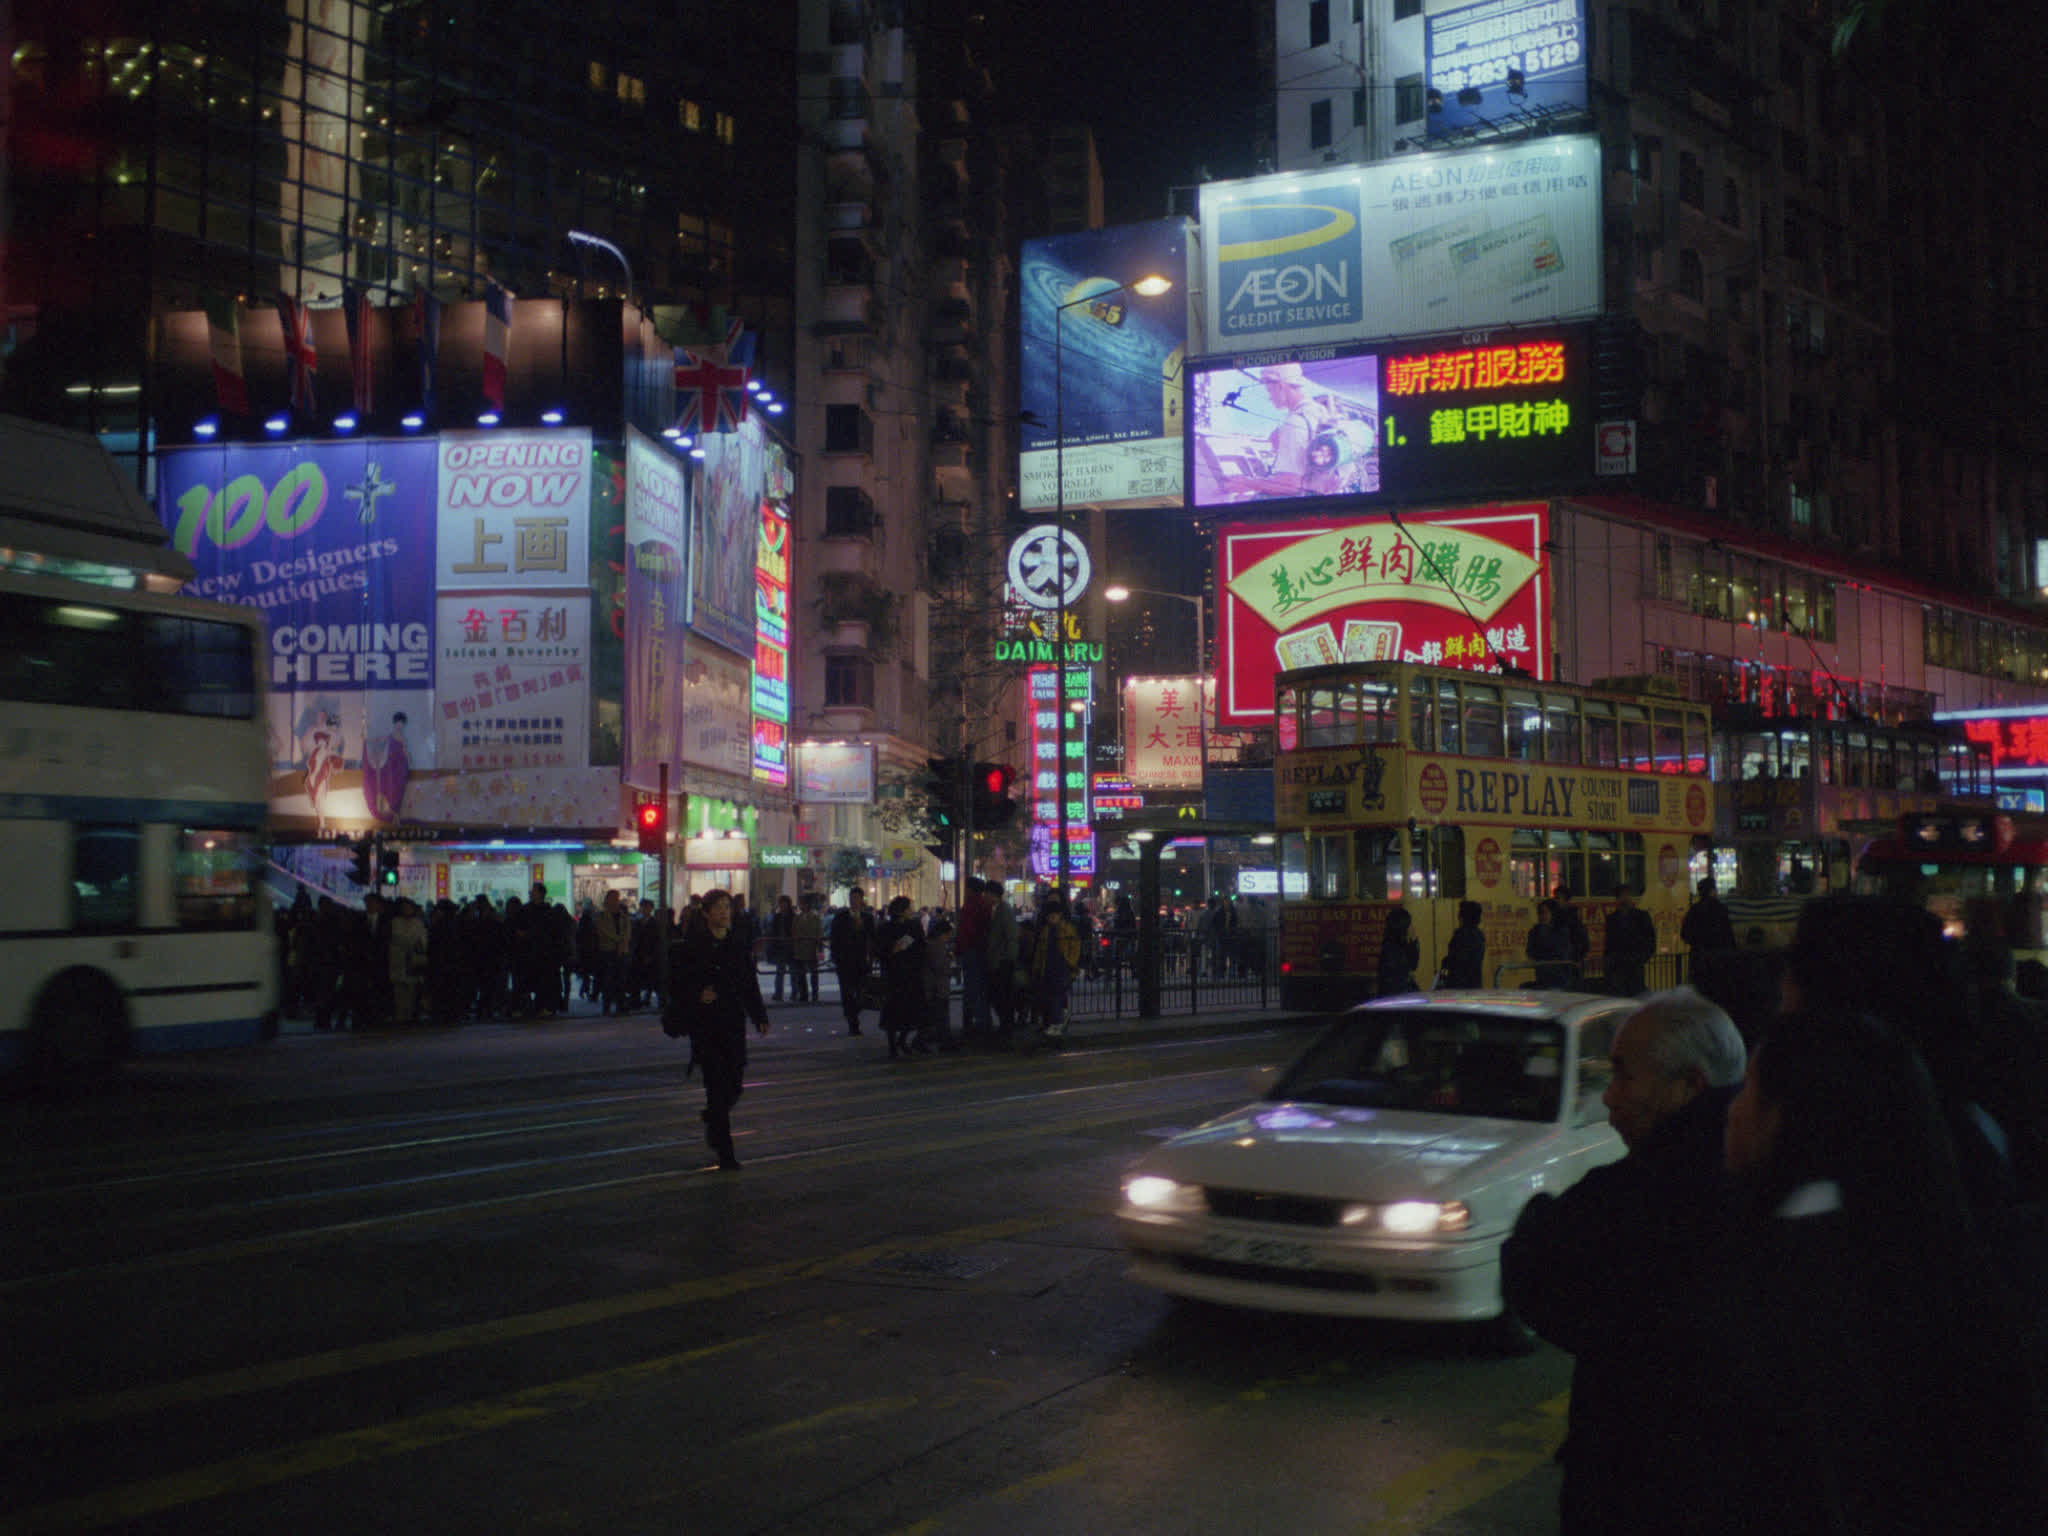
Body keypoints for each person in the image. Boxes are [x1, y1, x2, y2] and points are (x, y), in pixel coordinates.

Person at [1706, 1008, 2048, 1534]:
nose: (1732, 1111)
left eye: (1750, 1089)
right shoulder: (1955, 1265)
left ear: (1794, 1116)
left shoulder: (1784, 1279)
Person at [1502, 988, 1749, 1536]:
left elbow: (1543, 1281)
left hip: (1636, 1480)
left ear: (1690, 1085)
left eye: (1624, 1076)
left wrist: (1536, 1222)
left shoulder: (1637, 1199)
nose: (1610, 1098)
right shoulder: (1778, 1182)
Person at [663, 890, 769, 1170]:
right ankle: (726, 1151)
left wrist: (759, 1016)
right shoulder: (692, 946)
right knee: (715, 1085)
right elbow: (677, 984)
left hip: (733, 1023)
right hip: (706, 1026)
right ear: (707, 913)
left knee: (734, 1085)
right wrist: (698, 994)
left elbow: (749, 983)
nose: (724, 912)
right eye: (718, 908)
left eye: (727, 907)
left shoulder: (737, 944)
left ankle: (713, 1117)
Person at [875, 894, 927, 1059]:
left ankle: (903, 1040)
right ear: (902, 911)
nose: (911, 910)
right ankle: (893, 1045)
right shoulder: (886, 928)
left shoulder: (914, 926)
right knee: (893, 1011)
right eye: (908, 908)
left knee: (912, 1011)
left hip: (911, 973)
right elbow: (880, 950)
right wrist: (892, 950)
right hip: (894, 974)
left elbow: (921, 946)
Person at [1031, 892, 1082, 1047]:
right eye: (1050, 917)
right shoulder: (1048, 930)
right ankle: (1054, 1024)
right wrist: (1037, 968)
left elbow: (1075, 948)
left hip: (1061, 968)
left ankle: (1056, 1024)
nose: (1051, 919)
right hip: (1049, 968)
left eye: (1054, 916)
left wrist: (1070, 963)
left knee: (1056, 997)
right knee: (1051, 997)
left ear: (1059, 915)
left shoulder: (1066, 930)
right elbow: (1040, 951)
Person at [828, 886, 876, 1036]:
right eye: (852, 898)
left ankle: (853, 1012)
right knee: (847, 993)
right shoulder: (841, 917)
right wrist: (836, 958)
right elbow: (834, 939)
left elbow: (873, 938)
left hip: (862, 961)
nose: (854, 901)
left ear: (862, 900)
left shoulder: (868, 918)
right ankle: (852, 1022)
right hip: (845, 961)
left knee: (863, 993)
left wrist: (872, 959)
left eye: (857, 898)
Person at [955, 877, 993, 1042]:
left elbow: (967, 931)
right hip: (978, 951)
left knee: (973, 990)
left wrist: (959, 949)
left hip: (972, 951)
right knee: (979, 990)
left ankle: (976, 1026)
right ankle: (981, 1024)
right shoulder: (983, 905)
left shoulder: (971, 906)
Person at [1602, 884, 1658, 997]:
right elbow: (1609, 944)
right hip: (1618, 965)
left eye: (1626, 895)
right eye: (1622, 896)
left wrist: (1641, 957)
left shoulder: (1641, 916)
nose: (1624, 898)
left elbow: (1650, 940)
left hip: (1634, 964)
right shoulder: (1611, 919)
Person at [386, 896, 429, 1025]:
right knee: (399, 992)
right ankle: (401, 1016)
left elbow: (422, 941)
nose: (406, 910)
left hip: (413, 962)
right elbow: (397, 938)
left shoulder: (418, 923)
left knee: (412, 990)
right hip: (398, 961)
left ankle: (410, 1015)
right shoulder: (395, 922)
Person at [986, 884, 1020, 1039]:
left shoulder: (1003, 910)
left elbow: (1011, 936)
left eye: (987, 894)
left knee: (1001, 995)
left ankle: (1007, 1027)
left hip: (1002, 961)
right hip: (999, 959)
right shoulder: (998, 909)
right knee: (999, 995)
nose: (986, 897)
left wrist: (1007, 958)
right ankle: (1006, 1026)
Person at [594, 889, 631, 1015]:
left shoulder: (624, 916)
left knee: (621, 979)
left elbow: (627, 933)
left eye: (617, 898)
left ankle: (621, 1005)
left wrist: (622, 943)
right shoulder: (601, 916)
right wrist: (618, 940)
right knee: (608, 980)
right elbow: (603, 931)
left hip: (622, 951)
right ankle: (607, 1006)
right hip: (607, 951)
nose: (615, 901)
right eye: (613, 898)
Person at [1680, 877, 1736, 955]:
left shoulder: (1694, 910)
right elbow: (1728, 933)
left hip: (1699, 955)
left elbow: (1685, 934)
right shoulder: (1720, 909)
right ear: (1712, 891)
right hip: (1719, 955)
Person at [1526, 900, 1575, 988]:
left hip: (1559, 976)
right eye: (1539, 913)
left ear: (1553, 913)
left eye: (1544, 913)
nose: (1541, 916)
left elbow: (1562, 952)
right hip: (1542, 976)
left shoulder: (1561, 931)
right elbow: (1530, 951)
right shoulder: (1535, 931)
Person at [1440, 899, 1486, 988]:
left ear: (1462, 917)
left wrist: (1446, 961)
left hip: (1458, 986)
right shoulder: (1479, 936)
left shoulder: (1461, 936)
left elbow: (1457, 961)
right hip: (1474, 984)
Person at [1377, 906, 1419, 995]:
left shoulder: (1400, 945)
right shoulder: (1392, 949)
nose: (1412, 927)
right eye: (1409, 924)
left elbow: (1413, 965)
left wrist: (1413, 943)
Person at [1551, 884, 1591, 975]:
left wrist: (1577, 957)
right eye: (1555, 898)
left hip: (1571, 961)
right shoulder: (1555, 917)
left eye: (1558, 898)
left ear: (1566, 900)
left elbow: (1581, 941)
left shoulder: (1573, 919)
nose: (1555, 901)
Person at [791, 896, 823, 1005]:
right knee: (801, 973)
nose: (801, 906)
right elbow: (794, 931)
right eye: (801, 904)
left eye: (803, 904)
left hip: (811, 948)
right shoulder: (797, 917)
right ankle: (803, 994)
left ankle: (815, 994)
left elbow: (819, 932)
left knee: (814, 973)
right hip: (800, 948)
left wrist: (819, 946)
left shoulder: (815, 917)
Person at [768, 894, 797, 1002]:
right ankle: (778, 993)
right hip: (780, 946)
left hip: (790, 945)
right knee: (780, 971)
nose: (782, 905)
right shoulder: (777, 916)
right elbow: (773, 930)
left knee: (793, 971)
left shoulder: (793, 916)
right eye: (781, 903)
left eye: (784, 903)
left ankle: (794, 992)